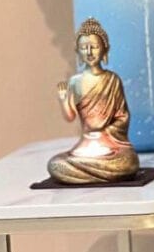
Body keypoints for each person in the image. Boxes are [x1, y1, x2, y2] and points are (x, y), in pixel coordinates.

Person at [48, 17, 140, 183]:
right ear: (78, 52)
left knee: (130, 162)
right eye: (84, 48)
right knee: (56, 165)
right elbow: (70, 117)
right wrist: (63, 100)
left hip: (110, 145)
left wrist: (105, 134)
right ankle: (98, 172)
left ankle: (89, 172)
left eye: (94, 47)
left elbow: (123, 116)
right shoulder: (75, 82)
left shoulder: (113, 80)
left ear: (105, 49)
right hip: (85, 147)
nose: (89, 52)